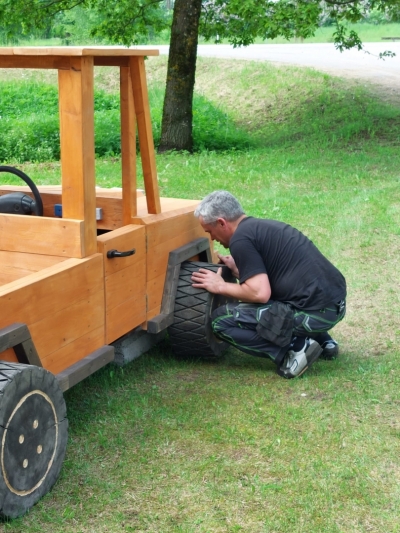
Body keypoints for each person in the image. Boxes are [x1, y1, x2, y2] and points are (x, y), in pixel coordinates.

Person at [191, 190, 346, 379]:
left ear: (222, 223)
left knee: (220, 321)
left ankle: (295, 349)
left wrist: (219, 286)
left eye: (210, 231)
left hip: (314, 313)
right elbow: (277, 276)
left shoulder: (240, 240)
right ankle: (322, 339)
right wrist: (242, 270)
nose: (213, 238)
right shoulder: (260, 227)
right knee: (267, 302)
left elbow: (260, 293)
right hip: (334, 305)